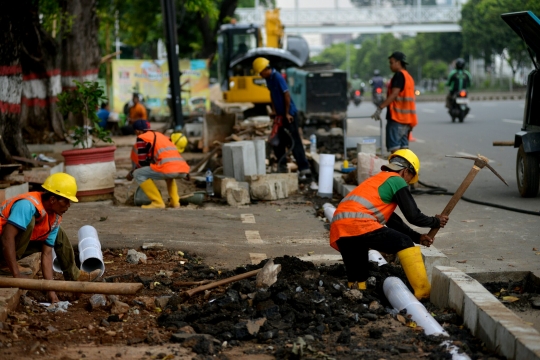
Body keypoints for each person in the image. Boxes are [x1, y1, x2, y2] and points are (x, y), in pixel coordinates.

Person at [329, 149, 448, 300]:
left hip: (340, 228)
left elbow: (393, 221)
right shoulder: (396, 180)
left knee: (359, 275)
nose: (407, 183)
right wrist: (436, 221)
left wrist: (418, 237)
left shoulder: (377, 181)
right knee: (404, 242)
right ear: (405, 171)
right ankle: (423, 292)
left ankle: (358, 297)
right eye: (409, 179)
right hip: (359, 225)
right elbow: (413, 216)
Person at [0, 173, 101, 303]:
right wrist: (16, 275)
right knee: (29, 221)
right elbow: (7, 238)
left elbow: (47, 254)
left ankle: (74, 279)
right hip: (2, 246)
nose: (68, 205)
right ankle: (5, 266)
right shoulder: (27, 205)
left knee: (59, 233)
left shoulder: (55, 217)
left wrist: (51, 291)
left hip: (8, 247)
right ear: (53, 200)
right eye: (66, 200)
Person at [252, 57, 311, 178]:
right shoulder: (269, 79)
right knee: (277, 141)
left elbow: (286, 94)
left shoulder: (278, 77)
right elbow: (272, 95)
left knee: (294, 142)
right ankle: (282, 166)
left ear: (264, 69)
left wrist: (287, 113)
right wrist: (274, 110)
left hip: (289, 115)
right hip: (280, 115)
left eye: (260, 72)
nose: (260, 75)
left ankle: (304, 168)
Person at [127, 120, 190, 209]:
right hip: (183, 170)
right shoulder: (162, 136)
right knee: (168, 174)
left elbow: (141, 163)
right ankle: (175, 202)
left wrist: (131, 174)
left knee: (138, 173)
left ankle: (157, 202)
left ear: (137, 131)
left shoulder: (142, 137)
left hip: (170, 169)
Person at [371, 52, 418, 153]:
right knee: (404, 151)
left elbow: (394, 94)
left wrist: (380, 108)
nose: (390, 65)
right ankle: (404, 169)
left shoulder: (399, 75)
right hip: (407, 120)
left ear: (398, 62)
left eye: (391, 62)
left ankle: (397, 168)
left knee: (395, 152)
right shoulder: (408, 76)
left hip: (397, 119)